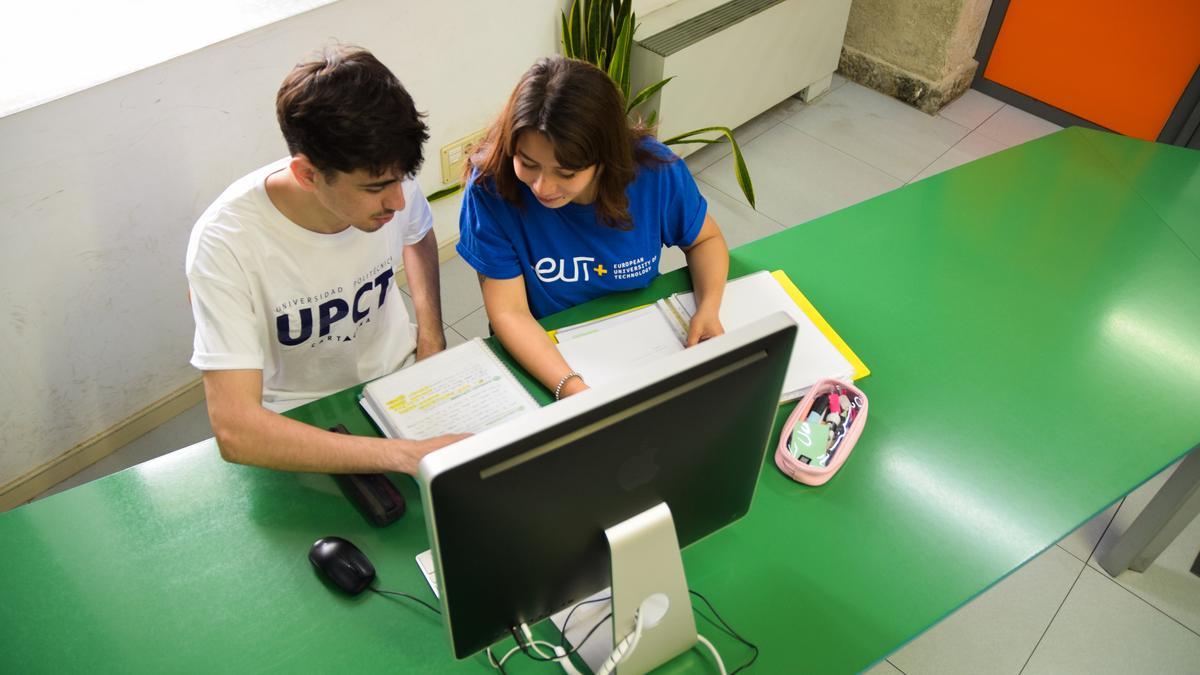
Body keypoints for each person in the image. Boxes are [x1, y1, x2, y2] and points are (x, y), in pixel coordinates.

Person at [185, 45, 466, 474]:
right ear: (307, 174)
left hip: (399, 380)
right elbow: (236, 430)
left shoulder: (388, 176)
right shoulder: (225, 243)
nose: (396, 200)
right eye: (375, 189)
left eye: (403, 180)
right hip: (299, 415)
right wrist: (407, 457)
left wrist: (431, 340)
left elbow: (417, 235)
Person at [457, 56, 730, 400]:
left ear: (606, 158)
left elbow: (704, 239)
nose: (542, 187)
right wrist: (571, 388)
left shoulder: (654, 173)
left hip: (643, 339)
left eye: (566, 173)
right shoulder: (491, 190)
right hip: (547, 350)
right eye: (528, 164)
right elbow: (509, 313)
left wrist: (708, 308)